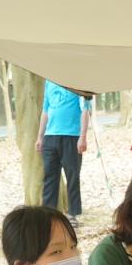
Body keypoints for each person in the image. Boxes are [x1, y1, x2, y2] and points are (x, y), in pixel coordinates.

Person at [35, 80, 92, 226]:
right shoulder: (49, 82)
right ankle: (49, 213)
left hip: (72, 137)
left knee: (72, 176)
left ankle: (73, 214)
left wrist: (83, 137)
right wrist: (40, 137)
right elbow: (45, 111)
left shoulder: (77, 81)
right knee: (50, 178)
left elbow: (86, 110)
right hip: (50, 136)